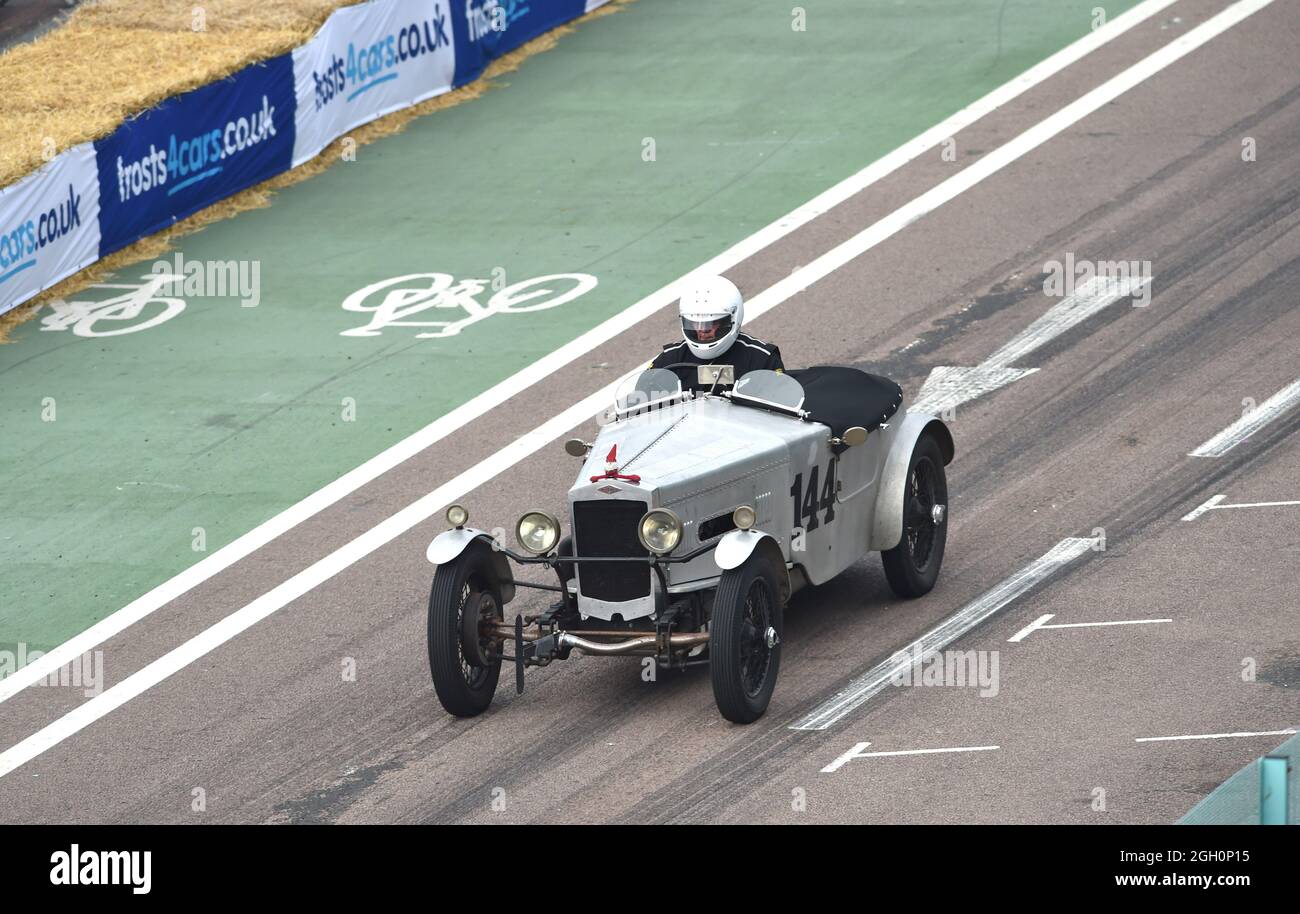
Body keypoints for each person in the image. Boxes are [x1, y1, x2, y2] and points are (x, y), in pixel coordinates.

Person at [649, 275, 783, 391]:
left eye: (711, 324)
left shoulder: (762, 361)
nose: (702, 330)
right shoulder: (668, 361)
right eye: (695, 323)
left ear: (732, 319)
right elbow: (638, 407)